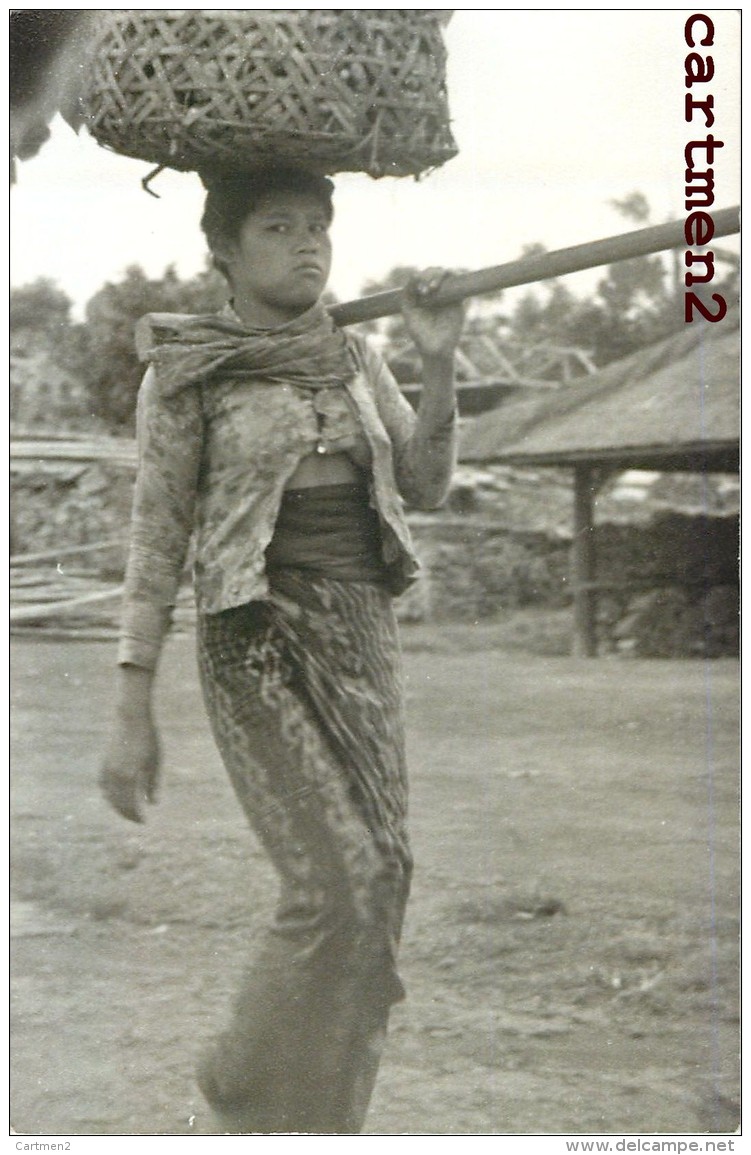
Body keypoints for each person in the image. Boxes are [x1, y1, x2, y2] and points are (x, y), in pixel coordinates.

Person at [99, 165, 466, 1134]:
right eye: (277, 227)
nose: (306, 245)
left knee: (384, 881)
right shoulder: (186, 372)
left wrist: (436, 360)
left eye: (318, 228)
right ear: (223, 248)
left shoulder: (352, 357)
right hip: (252, 640)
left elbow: (424, 485)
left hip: (362, 635)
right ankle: (234, 1085)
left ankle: (324, 1120)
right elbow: (156, 543)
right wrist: (132, 708)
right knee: (334, 884)